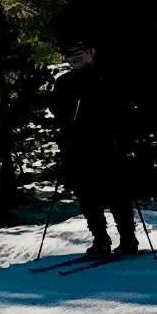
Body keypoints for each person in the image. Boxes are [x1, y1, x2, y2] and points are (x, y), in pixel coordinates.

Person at [50, 44, 139, 262]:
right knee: (87, 196)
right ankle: (100, 239)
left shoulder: (105, 77)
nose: (73, 59)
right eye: (69, 55)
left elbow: (122, 106)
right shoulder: (63, 82)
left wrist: (123, 136)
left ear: (91, 53)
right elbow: (57, 110)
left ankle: (128, 239)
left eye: (78, 54)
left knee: (117, 193)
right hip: (78, 147)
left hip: (107, 144)